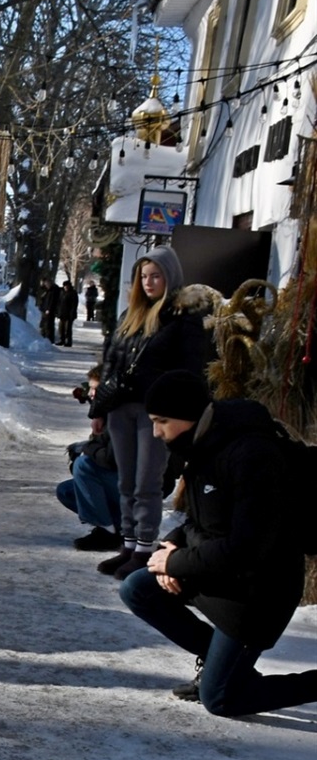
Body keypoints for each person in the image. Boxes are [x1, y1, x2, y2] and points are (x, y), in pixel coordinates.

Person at [119, 370, 317, 716]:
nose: (156, 432)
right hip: (222, 575)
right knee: (138, 588)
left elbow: (246, 548)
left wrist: (176, 563)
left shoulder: (251, 455)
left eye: (162, 421)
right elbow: (201, 520)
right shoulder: (203, 444)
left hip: (257, 594)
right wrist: (171, 546)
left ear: (188, 415)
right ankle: (218, 665)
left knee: (222, 700)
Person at [89, 247, 216, 579]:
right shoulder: (129, 315)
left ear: (170, 276)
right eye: (143, 276)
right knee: (126, 481)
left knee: (147, 482)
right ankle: (128, 546)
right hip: (120, 409)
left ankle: (144, 549)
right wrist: (98, 409)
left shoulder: (183, 318)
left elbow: (190, 372)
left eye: (155, 276)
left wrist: (178, 414)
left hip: (155, 413)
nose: (148, 282)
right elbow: (111, 363)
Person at [59, 368, 122, 550]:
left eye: (96, 389)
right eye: (90, 388)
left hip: (134, 487)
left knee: (84, 464)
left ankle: (107, 532)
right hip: (117, 481)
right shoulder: (104, 415)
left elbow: (110, 459)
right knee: (66, 491)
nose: (91, 393)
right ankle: (117, 527)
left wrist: (86, 450)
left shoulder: (120, 415)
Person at [57, 280, 79, 347]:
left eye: (67, 286)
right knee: (61, 328)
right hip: (62, 313)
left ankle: (68, 341)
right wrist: (58, 312)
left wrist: (72, 314)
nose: (65, 287)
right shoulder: (62, 293)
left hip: (69, 314)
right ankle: (62, 340)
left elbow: (74, 305)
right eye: (64, 286)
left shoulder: (73, 293)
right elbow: (59, 303)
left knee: (68, 329)